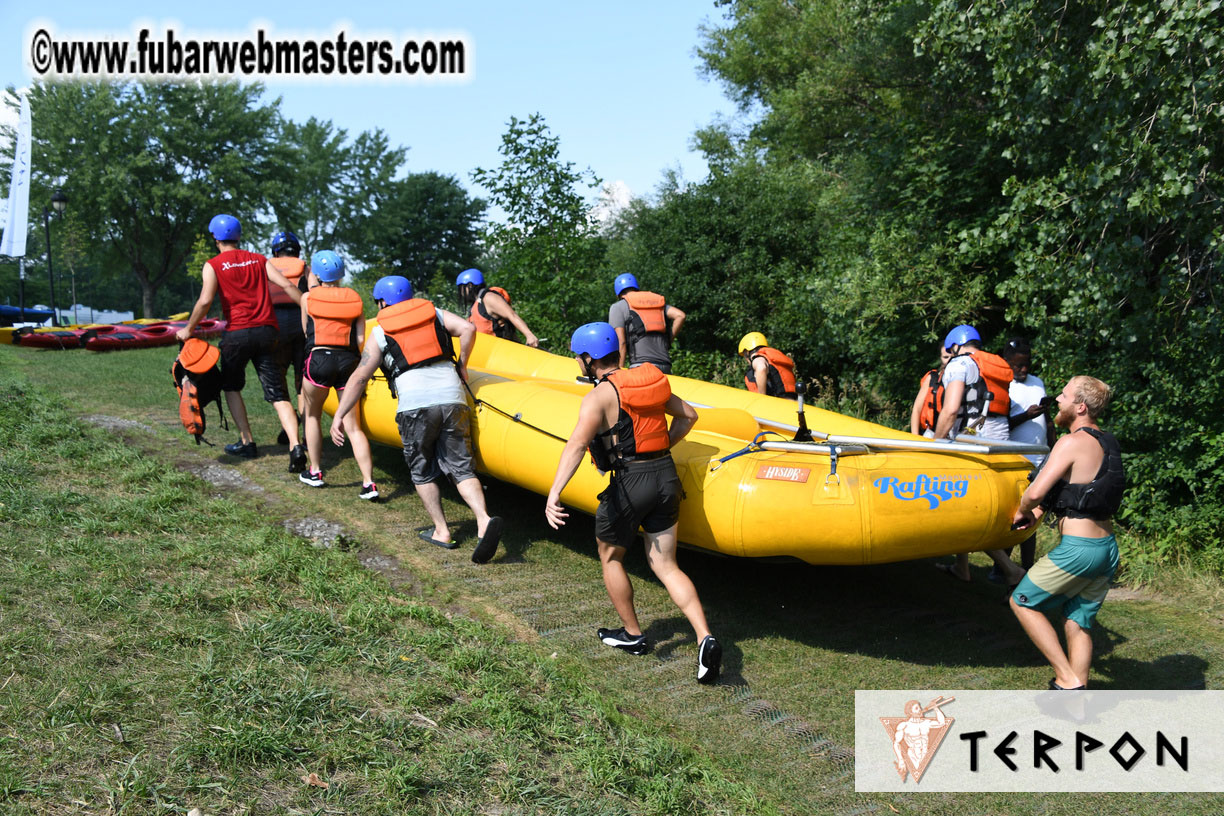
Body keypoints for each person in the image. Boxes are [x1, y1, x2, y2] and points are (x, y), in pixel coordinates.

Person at [544, 321, 721, 685]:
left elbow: (577, 445)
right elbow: (689, 416)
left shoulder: (599, 397)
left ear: (589, 359)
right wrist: (662, 446)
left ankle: (633, 635)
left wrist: (554, 493)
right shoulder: (647, 382)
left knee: (611, 556)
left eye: (579, 357)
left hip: (630, 482)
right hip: (665, 475)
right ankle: (705, 636)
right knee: (666, 565)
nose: (578, 362)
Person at [331, 275, 504, 564]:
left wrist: (339, 415)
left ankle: (441, 530)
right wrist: (461, 363)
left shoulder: (380, 331)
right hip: (452, 397)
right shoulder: (434, 313)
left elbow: (360, 377)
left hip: (415, 405)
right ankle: (483, 520)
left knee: (422, 469)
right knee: (461, 467)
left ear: (383, 302)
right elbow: (468, 328)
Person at [1010, 376, 1124, 690]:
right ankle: (1078, 698)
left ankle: (1067, 678)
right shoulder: (1108, 442)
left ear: (1081, 406)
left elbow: (1035, 493)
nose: (1057, 400)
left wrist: (1022, 511)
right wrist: (1040, 513)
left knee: (1022, 602)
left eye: (1063, 395)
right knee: (1077, 621)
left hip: (1079, 550)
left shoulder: (1071, 442)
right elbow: (1071, 489)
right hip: (1107, 549)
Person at [176, 214, 307, 472]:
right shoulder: (259, 260)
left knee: (232, 386)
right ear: (239, 236)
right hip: (268, 332)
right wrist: (307, 306)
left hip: (237, 333)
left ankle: (247, 441)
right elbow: (285, 285)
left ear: (216, 238)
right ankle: (296, 445)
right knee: (278, 393)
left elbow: (204, 301)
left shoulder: (213, 265)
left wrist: (188, 329)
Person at [932, 324, 1022, 584]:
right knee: (968, 507)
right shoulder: (990, 364)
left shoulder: (959, 364)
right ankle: (963, 567)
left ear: (955, 346)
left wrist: (936, 444)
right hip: (1000, 441)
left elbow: (950, 411)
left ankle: (1011, 570)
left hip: (971, 441)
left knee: (963, 510)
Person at [296, 250, 378, 499]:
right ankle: (368, 483)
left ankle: (316, 471)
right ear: (341, 273)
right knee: (354, 427)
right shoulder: (354, 299)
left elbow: (305, 331)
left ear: (318, 275)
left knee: (312, 415)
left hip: (318, 359)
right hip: (348, 363)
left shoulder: (308, 298)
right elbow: (361, 339)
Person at [1001, 336, 1050, 570]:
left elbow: (1047, 419)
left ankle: (1026, 568)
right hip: (1015, 461)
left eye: (1026, 364)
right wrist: (1025, 416)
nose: (1023, 369)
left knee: (1032, 517)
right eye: (1017, 365)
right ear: (1006, 361)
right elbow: (998, 427)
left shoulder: (1037, 382)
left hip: (1039, 459)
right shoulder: (1004, 386)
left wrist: (1054, 448)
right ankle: (1002, 566)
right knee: (1015, 515)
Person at [266, 230, 311, 445]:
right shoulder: (304, 267)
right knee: (302, 383)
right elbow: (313, 294)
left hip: (276, 326)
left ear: (276, 250)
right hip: (301, 325)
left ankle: (289, 426)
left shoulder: (267, 267)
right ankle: (305, 434)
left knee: (279, 379)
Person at [608, 273, 685, 374]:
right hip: (665, 365)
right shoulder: (655, 303)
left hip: (641, 367)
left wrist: (619, 371)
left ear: (618, 293)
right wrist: (668, 341)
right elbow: (680, 316)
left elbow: (620, 342)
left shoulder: (618, 307)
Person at [455, 268, 539, 347]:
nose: (461, 293)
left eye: (462, 289)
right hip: (488, 353)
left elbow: (512, 315)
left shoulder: (489, 298)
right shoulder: (475, 306)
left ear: (470, 285)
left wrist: (529, 335)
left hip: (503, 349)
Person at [909, 344, 953, 437]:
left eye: (952, 357)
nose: (949, 360)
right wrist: (915, 438)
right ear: (940, 358)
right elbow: (917, 409)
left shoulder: (965, 379)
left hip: (955, 433)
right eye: (946, 357)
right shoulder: (932, 378)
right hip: (931, 433)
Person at [737, 332, 798, 398]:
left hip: (778, 404)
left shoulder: (757, 359)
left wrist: (762, 398)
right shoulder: (771, 358)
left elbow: (761, 368)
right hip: (793, 403)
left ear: (747, 352)